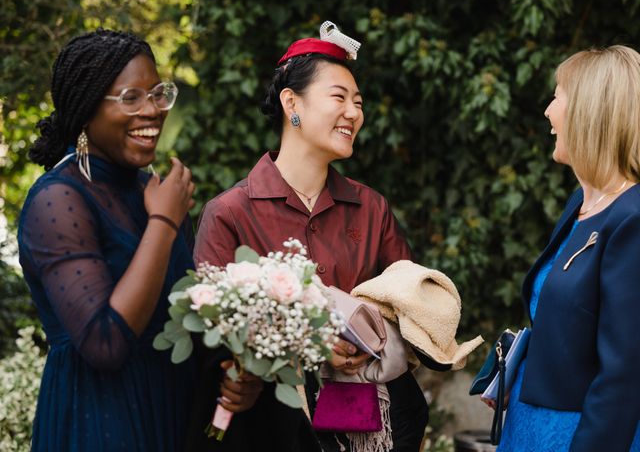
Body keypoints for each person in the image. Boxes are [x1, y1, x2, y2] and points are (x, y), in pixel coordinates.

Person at [186, 22, 429, 451]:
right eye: (339, 97)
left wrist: (364, 335)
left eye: (358, 102)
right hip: (267, 430)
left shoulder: (371, 208)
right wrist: (307, 345)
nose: (354, 112)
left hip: (368, 423)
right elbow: (211, 338)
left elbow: (408, 311)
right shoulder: (230, 213)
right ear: (291, 103)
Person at [18, 28, 196, 451]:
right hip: (99, 419)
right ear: (85, 110)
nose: (152, 110)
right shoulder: (57, 199)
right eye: (130, 98)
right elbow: (105, 342)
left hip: (175, 412)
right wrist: (164, 224)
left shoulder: (152, 192)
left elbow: (184, 312)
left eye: (157, 94)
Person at [492, 45, 640, 451]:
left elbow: (624, 372)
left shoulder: (632, 218)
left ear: (589, 111)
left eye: (558, 95)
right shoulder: (582, 203)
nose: (547, 112)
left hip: (581, 432)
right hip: (528, 421)